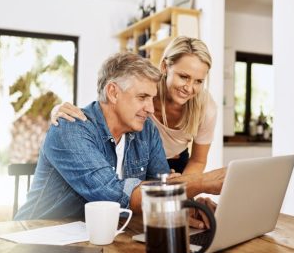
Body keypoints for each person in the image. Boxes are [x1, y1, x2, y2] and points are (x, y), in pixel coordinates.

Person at [15, 52, 225, 225]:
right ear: (113, 93)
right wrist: (203, 182)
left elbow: (164, 184)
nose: (151, 109)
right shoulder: (70, 129)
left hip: (101, 236)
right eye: (142, 98)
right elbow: (116, 195)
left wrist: (188, 206)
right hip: (37, 239)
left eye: (152, 99)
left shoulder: (146, 130)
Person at [52, 36, 216, 175]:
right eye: (183, 76)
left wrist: (184, 190)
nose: (189, 87)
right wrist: (59, 111)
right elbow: (106, 106)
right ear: (165, 67)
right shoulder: (146, 85)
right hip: (137, 155)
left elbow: (198, 160)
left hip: (175, 162)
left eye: (198, 81)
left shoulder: (205, 108)